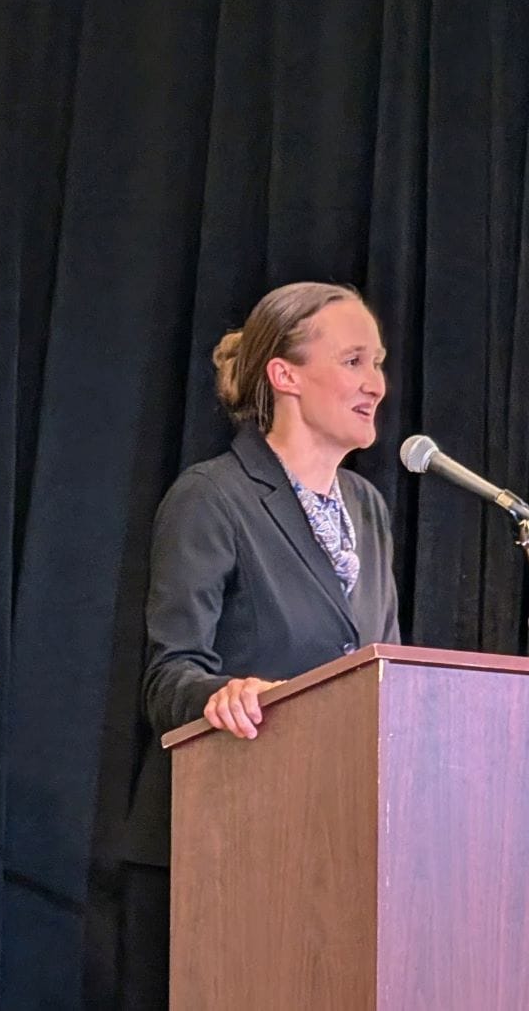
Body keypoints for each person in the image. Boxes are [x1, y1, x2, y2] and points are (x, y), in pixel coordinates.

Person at [117, 281, 401, 1010]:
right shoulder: (211, 496)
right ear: (286, 375)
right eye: (355, 360)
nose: (377, 383)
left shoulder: (367, 507)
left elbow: (383, 671)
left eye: (379, 363)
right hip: (221, 845)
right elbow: (169, 672)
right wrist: (221, 693)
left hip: (334, 849)